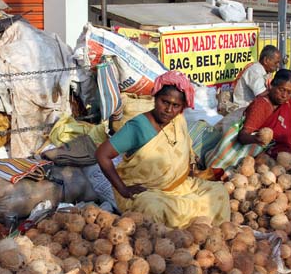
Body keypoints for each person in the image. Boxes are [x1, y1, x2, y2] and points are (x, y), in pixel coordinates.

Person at [95, 70, 230, 229]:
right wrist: (123, 190)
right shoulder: (139, 126)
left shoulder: (178, 120)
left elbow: (184, 150)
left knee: (219, 192)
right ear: (155, 98)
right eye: (164, 102)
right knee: (153, 209)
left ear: (182, 107)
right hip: (149, 193)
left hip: (179, 187)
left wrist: (190, 169)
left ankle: (207, 232)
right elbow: (102, 154)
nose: (168, 110)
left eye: (175, 106)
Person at [205, 69, 291, 170]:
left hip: (281, 143)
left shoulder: (287, 103)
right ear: (272, 85)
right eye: (282, 89)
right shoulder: (261, 105)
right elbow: (242, 136)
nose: (284, 95)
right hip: (264, 150)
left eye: (289, 92)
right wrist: (257, 138)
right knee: (290, 156)